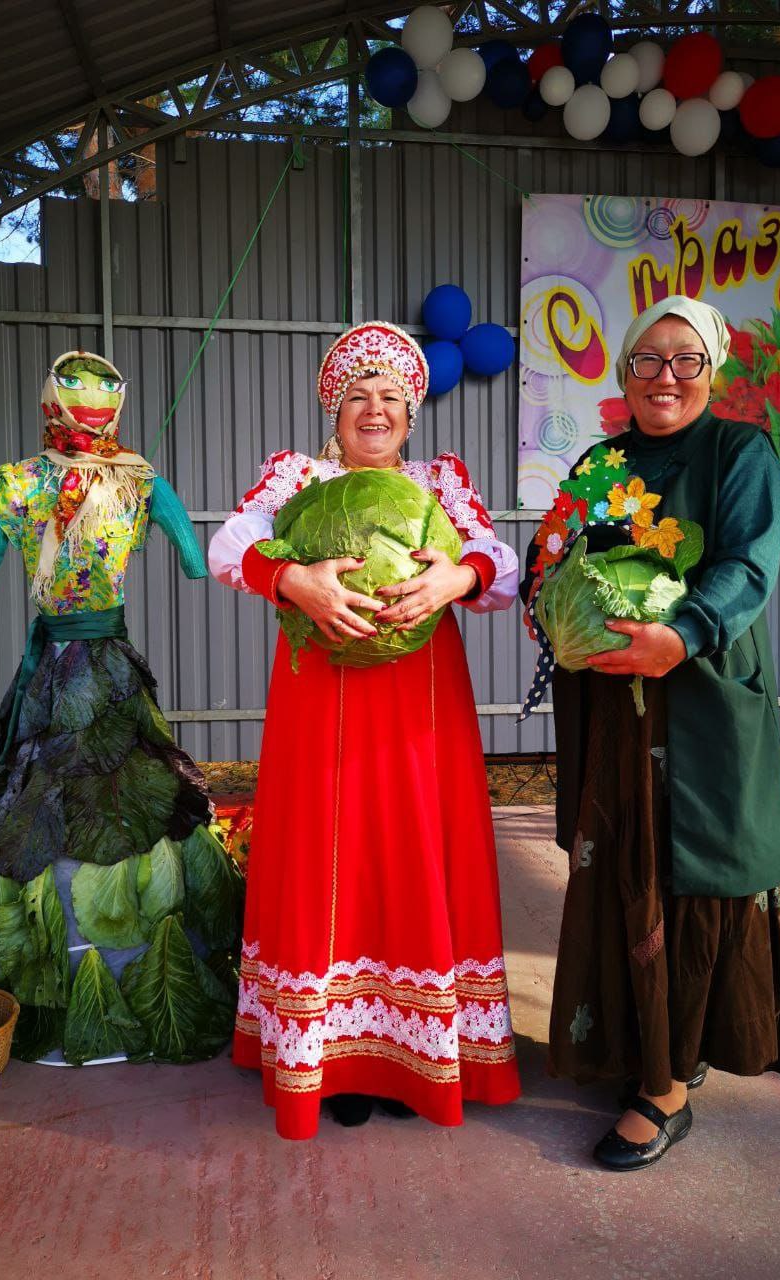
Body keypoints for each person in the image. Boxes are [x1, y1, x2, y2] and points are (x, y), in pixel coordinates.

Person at [209, 320, 521, 1139]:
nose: (374, 410)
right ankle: (335, 1057)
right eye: (357, 396)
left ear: (412, 417)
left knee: (415, 844)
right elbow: (226, 547)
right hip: (322, 705)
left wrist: (459, 574)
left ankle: (415, 1052)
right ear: (333, 410)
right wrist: (291, 579)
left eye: (391, 398)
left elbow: (500, 563)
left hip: (422, 704)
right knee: (328, 851)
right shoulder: (297, 476)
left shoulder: (438, 479)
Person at [521, 296, 780, 1171]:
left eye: (686, 360)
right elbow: (554, 555)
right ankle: (638, 1044)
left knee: (687, 871)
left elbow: (747, 562)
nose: (666, 378)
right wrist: (549, 610)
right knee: (623, 863)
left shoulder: (739, 452)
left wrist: (680, 635)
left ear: (712, 370)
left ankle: (668, 1084)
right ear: (623, 374)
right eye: (647, 360)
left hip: (702, 697)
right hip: (613, 704)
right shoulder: (600, 462)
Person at [0, 350, 243, 1066]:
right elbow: (195, 560)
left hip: (53, 664)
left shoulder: (17, 483)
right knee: (128, 791)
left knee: (42, 792)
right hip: (108, 662)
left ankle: (53, 970)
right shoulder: (138, 479)